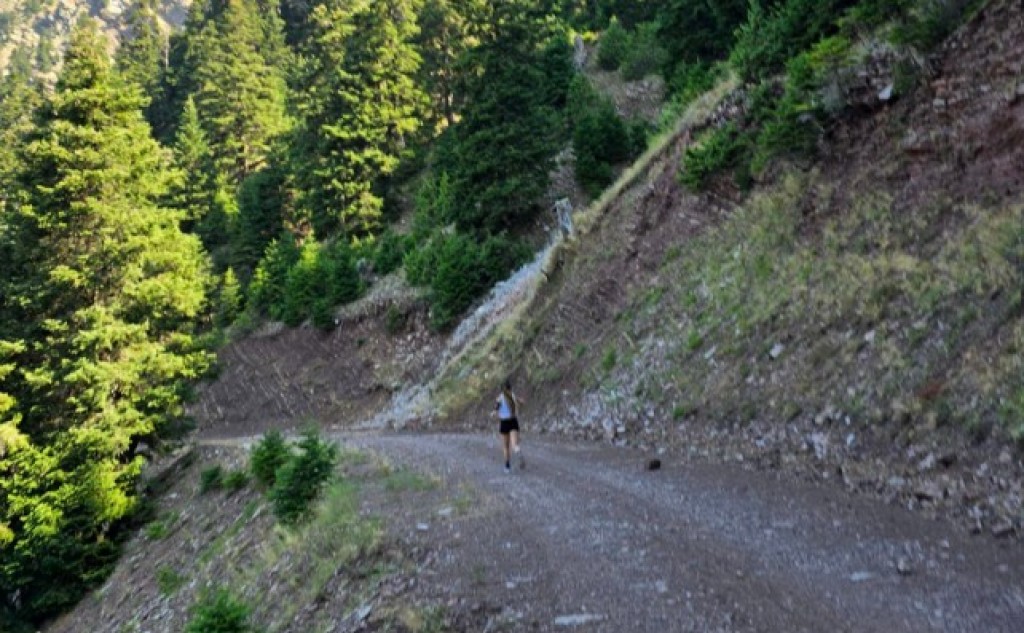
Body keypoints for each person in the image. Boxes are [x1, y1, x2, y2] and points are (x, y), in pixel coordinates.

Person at [493, 379, 525, 472]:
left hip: (504, 422)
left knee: (506, 446)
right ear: (510, 387)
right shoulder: (513, 396)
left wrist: (494, 413)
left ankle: (507, 466)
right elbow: (522, 402)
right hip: (514, 421)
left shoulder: (500, 398)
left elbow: (496, 409)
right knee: (515, 444)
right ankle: (518, 451)